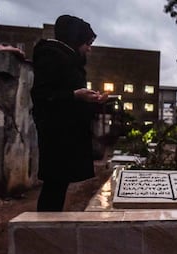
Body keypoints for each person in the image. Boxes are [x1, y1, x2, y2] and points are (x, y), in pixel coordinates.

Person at [31, 15, 106, 211]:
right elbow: (42, 95)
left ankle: (48, 229)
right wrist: (75, 95)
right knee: (54, 186)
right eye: (87, 43)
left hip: (66, 134)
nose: (89, 48)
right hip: (56, 134)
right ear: (75, 39)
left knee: (58, 186)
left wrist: (94, 101)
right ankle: (43, 232)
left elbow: (73, 100)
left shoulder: (70, 60)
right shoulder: (52, 56)